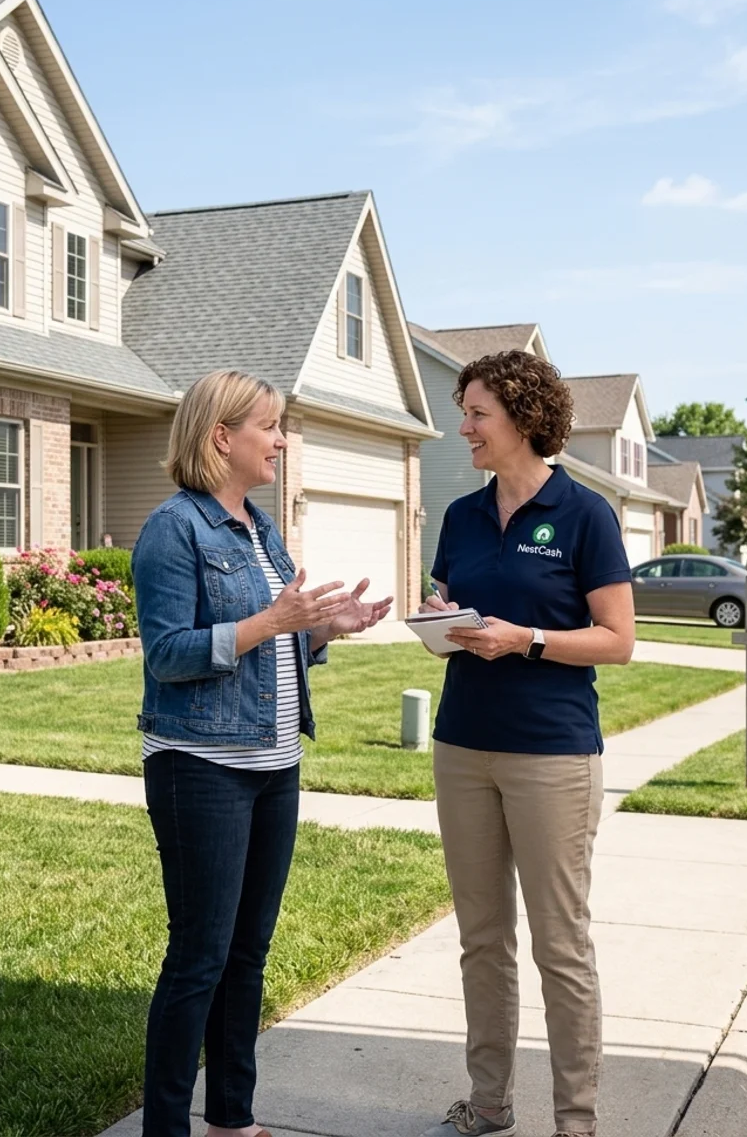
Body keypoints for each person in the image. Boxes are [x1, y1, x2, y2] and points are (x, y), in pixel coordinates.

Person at [132, 369, 393, 1137]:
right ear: (222, 437)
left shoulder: (258, 525)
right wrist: (275, 618)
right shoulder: (174, 528)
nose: (280, 440)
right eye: (269, 427)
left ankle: (232, 1120)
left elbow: (272, 643)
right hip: (200, 767)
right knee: (199, 959)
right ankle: (167, 1128)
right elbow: (168, 654)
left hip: (275, 765)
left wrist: (321, 629)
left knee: (248, 953)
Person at [419, 350, 635, 1137]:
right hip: (463, 745)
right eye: (465, 411)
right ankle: (488, 1103)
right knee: (482, 939)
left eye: (477, 413)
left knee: (560, 945)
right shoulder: (461, 517)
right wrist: (441, 625)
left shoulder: (585, 515)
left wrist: (529, 639)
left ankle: (575, 1123)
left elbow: (617, 641)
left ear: (522, 419)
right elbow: (459, 617)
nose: (464, 426)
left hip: (552, 754)